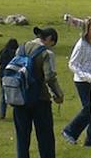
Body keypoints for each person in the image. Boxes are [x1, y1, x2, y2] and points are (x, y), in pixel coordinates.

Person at [14, 27, 66, 158]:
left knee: (22, 138)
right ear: (49, 39)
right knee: (45, 138)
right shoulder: (46, 53)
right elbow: (49, 77)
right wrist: (58, 95)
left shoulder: (21, 48)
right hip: (40, 99)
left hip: (20, 97)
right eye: (52, 44)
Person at [63, 18, 91, 146]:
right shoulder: (81, 44)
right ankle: (70, 131)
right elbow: (72, 64)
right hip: (82, 81)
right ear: (86, 30)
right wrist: (86, 76)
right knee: (89, 108)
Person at [0, 38, 20, 119]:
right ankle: (16, 114)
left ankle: (2, 114)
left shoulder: (3, 52)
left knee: (3, 95)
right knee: (15, 94)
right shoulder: (16, 53)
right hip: (13, 75)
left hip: (3, 74)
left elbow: (0, 62)